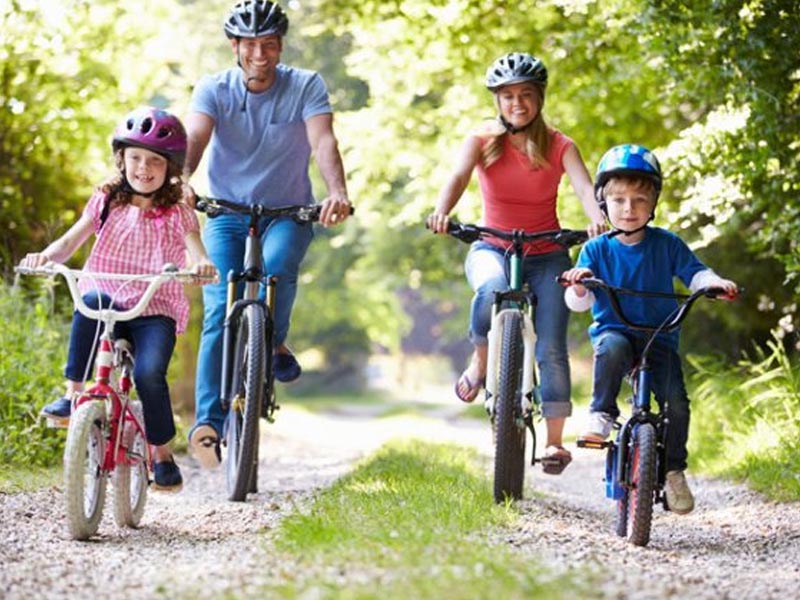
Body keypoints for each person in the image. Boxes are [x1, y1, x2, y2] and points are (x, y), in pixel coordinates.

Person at [183, 0, 352, 468]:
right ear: (234, 46)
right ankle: (208, 424)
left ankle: (272, 338)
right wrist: (182, 179)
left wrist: (336, 191)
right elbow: (196, 138)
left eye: (270, 44)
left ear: (280, 46)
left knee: (277, 269)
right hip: (227, 212)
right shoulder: (213, 88)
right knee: (219, 305)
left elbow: (323, 141)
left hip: (288, 211)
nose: (260, 53)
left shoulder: (305, 85)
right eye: (251, 44)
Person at [19, 106, 218, 492]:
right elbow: (71, 240)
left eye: (155, 161)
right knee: (89, 299)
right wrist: (45, 257)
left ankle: (160, 453)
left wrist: (203, 265)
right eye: (135, 158)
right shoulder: (107, 199)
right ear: (122, 159)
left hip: (153, 307)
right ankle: (73, 394)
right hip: (107, 298)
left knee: (148, 374)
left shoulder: (178, 210)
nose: (143, 168)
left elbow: (196, 250)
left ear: (170, 167)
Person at [426, 52, 606, 475]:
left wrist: (597, 216)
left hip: (547, 256)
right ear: (497, 101)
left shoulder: (561, 145)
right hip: (493, 247)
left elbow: (584, 187)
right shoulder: (483, 140)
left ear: (540, 98)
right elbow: (456, 177)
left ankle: (555, 443)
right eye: (507, 96)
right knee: (489, 289)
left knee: (551, 347)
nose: (517, 103)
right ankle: (481, 359)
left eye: (526, 95)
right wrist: (442, 211)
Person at [560, 143, 738, 513]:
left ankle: (673, 471)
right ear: (603, 203)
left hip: (660, 336)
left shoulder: (667, 244)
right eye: (619, 200)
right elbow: (579, 303)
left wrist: (713, 283)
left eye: (640, 200)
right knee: (610, 349)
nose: (629, 209)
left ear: (653, 202)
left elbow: (695, 273)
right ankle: (602, 413)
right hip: (617, 332)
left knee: (677, 404)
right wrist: (580, 283)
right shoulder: (596, 249)